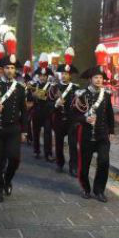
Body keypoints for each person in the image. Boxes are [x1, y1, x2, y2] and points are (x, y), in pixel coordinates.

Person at [0, 32, 28, 203]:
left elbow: (24, 111)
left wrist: (24, 131)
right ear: (2, 69)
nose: (10, 71)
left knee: (14, 158)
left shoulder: (20, 88)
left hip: (13, 128)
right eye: (7, 68)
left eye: (12, 68)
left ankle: (8, 180)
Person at [73, 45, 115, 203]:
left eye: (101, 77)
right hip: (85, 134)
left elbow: (110, 113)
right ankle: (86, 188)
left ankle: (99, 190)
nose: (99, 80)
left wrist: (112, 130)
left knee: (104, 161)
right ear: (90, 79)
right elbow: (74, 115)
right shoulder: (81, 94)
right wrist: (84, 119)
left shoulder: (106, 95)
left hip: (102, 133)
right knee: (84, 164)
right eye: (96, 77)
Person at [52, 47, 79, 177]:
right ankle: (59, 163)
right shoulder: (55, 87)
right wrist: (56, 103)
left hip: (72, 120)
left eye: (66, 74)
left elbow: (80, 105)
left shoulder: (75, 88)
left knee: (73, 144)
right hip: (58, 119)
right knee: (59, 143)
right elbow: (49, 104)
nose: (64, 75)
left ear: (70, 75)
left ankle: (73, 166)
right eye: (62, 73)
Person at [28, 53, 54, 161]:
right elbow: (29, 97)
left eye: (44, 76)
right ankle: (36, 150)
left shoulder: (51, 86)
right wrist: (32, 94)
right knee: (36, 132)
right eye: (41, 76)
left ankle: (48, 153)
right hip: (36, 112)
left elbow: (50, 98)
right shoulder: (33, 85)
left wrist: (37, 94)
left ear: (47, 76)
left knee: (48, 133)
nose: (42, 77)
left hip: (47, 113)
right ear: (38, 76)